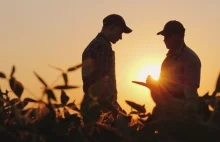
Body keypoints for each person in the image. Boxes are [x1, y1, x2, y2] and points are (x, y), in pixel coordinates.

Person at [80, 14, 132, 123]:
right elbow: (101, 85)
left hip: (92, 106)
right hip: (99, 109)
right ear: (112, 27)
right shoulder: (102, 47)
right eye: (120, 32)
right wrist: (114, 110)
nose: (120, 37)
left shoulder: (94, 46)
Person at [146, 20, 201, 121]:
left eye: (168, 36)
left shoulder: (190, 58)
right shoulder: (167, 60)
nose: (165, 40)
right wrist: (153, 85)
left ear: (180, 36)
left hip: (182, 113)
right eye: (164, 37)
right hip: (165, 109)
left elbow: (190, 94)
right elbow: (163, 86)